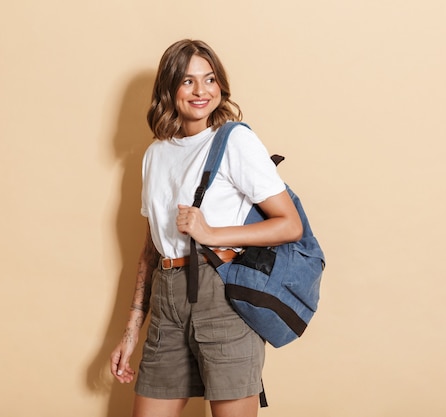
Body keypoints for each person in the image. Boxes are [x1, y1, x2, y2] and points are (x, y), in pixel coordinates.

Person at [110, 39, 302, 417]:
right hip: (167, 300)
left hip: (221, 297)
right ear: (169, 90)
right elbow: (153, 247)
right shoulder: (155, 154)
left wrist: (212, 234)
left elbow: (289, 225)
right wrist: (132, 329)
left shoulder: (235, 141)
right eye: (188, 81)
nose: (201, 91)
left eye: (210, 79)